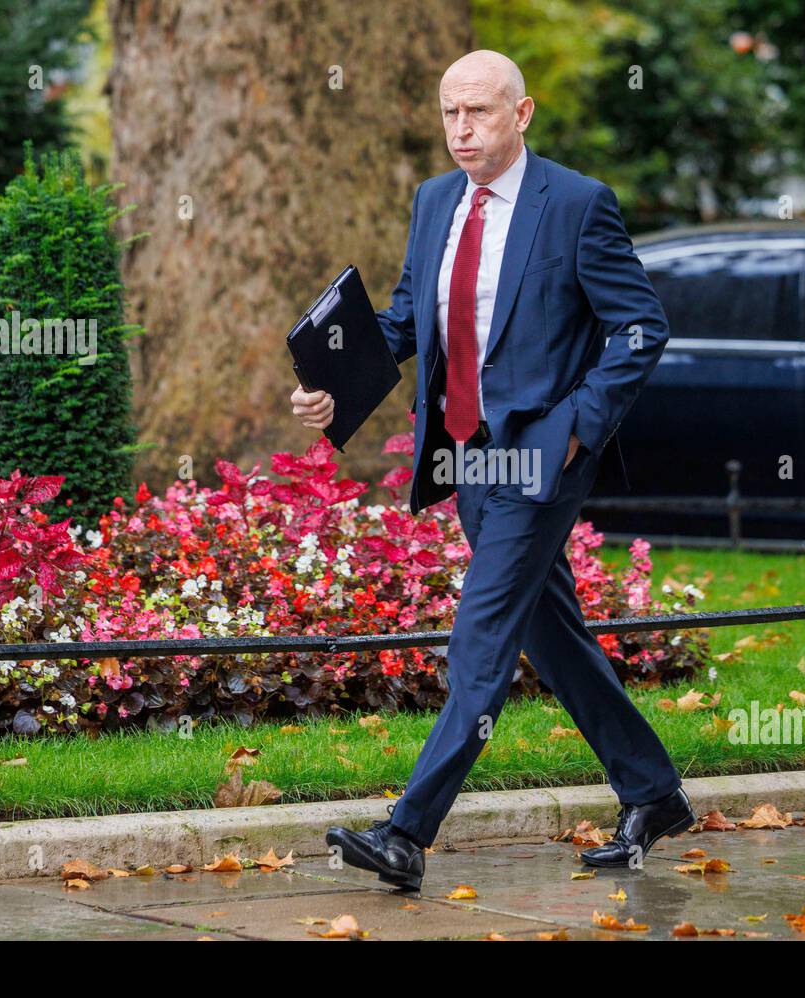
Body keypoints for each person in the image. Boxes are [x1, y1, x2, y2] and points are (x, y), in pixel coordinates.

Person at [290, 50, 693, 891]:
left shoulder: (578, 206)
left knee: (480, 634)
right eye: (449, 114)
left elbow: (640, 328)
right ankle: (652, 792)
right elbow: (408, 318)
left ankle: (407, 831)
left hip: (542, 460)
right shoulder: (435, 200)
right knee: (553, 634)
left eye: (477, 111)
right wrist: (334, 390)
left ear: (523, 113)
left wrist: (579, 428)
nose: (461, 129)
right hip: (466, 455)